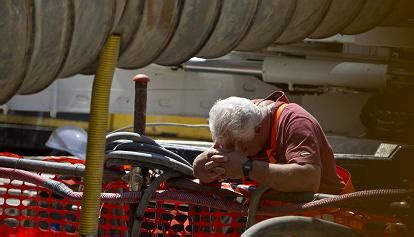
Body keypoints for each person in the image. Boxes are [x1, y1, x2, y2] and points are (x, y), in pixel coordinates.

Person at [193, 91, 353, 195]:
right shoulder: (239, 119)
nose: (237, 152)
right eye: (226, 145)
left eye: (244, 146)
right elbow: (211, 161)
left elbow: (308, 180)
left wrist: (246, 167)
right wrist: (202, 168)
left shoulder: (296, 123)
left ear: (259, 128)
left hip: (327, 214)